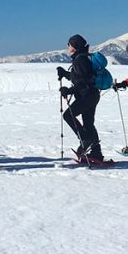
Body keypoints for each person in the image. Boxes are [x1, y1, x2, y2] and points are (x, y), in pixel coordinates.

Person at [57, 34, 104, 162]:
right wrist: (66, 74)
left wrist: (68, 90)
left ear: (75, 46)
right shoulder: (83, 58)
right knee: (89, 124)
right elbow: (79, 77)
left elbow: (82, 82)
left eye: (69, 44)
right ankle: (96, 153)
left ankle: (85, 140)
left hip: (86, 96)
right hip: (91, 95)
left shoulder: (80, 60)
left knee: (68, 115)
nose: (68, 46)